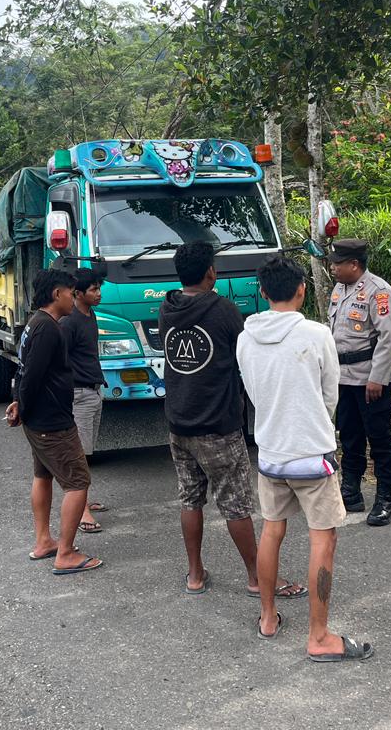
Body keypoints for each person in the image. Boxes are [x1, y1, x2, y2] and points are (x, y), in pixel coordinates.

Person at [238, 255, 375, 662]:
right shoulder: (316, 334)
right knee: (323, 539)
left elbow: (251, 390)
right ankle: (319, 636)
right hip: (312, 455)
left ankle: (267, 617)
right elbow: (329, 393)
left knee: (272, 531)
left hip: (271, 454)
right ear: (300, 290)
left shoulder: (246, 337)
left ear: (262, 292)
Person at [159, 241, 306, 599]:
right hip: (218, 424)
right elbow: (245, 353)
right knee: (236, 503)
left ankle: (195, 574)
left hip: (179, 421)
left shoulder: (167, 307)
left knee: (190, 500)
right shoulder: (222, 310)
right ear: (211, 271)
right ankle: (257, 576)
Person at [5, 269, 103, 576]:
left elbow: (25, 370)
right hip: (52, 420)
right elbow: (33, 374)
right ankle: (65, 553)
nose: (72, 298)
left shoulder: (36, 323)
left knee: (43, 476)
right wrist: (23, 405)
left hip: (38, 418)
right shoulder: (49, 328)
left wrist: (20, 403)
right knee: (78, 482)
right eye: (69, 293)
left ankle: (44, 540)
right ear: (56, 294)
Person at [327, 238, 391, 527]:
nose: (332, 268)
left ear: (354, 264)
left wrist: (377, 378)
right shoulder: (339, 290)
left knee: (379, 438)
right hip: (344, 378)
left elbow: (387, 338)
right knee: (349, 435)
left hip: (371, 379)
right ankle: (352, 491)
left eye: (337, 263)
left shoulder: (379, 292)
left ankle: (385, 499)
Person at [60, 268, 109, 534]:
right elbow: (59, 360)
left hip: (93, 390)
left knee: (86, 453)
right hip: (78, 394)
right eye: (93, 290)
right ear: (78, 293)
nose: (98, 293)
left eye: (99, 288)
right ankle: (82, 511)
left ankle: (85, 501)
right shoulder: (69, 323)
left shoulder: (90, 316)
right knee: (79, 456)